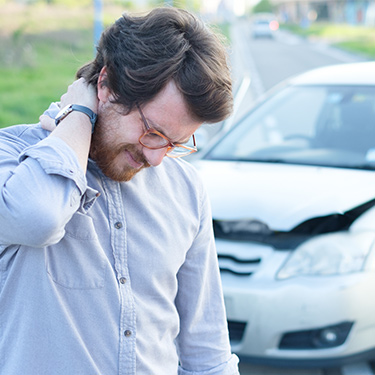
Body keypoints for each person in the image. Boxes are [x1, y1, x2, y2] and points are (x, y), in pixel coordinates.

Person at [0, 7, 240, 375]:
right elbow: (36, 218)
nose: (157, 158)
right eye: (153, 132)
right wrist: (79, 113)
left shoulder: (186, 188)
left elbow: (208, 353)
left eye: (176, 143)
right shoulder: (11, 160)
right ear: (106, 85)